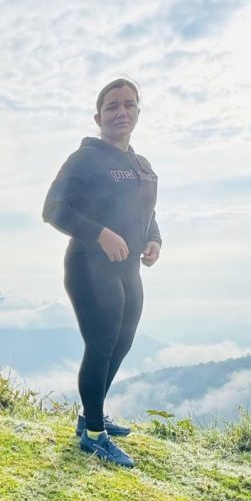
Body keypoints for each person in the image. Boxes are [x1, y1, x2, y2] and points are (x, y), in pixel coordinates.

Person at [42, 78, 161, 469]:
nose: (121, 112)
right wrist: (100, 233)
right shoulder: (84, 160)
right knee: (101, 345)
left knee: (122, 343)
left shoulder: (142, 166)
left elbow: (148, 214)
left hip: (129, 270)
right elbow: (53, 210)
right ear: (98, 117)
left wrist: (154, 240)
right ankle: (94, 435)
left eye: (129, 104)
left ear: (138, 112)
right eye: (112, 106)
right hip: (89, 267)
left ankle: (89, 416)